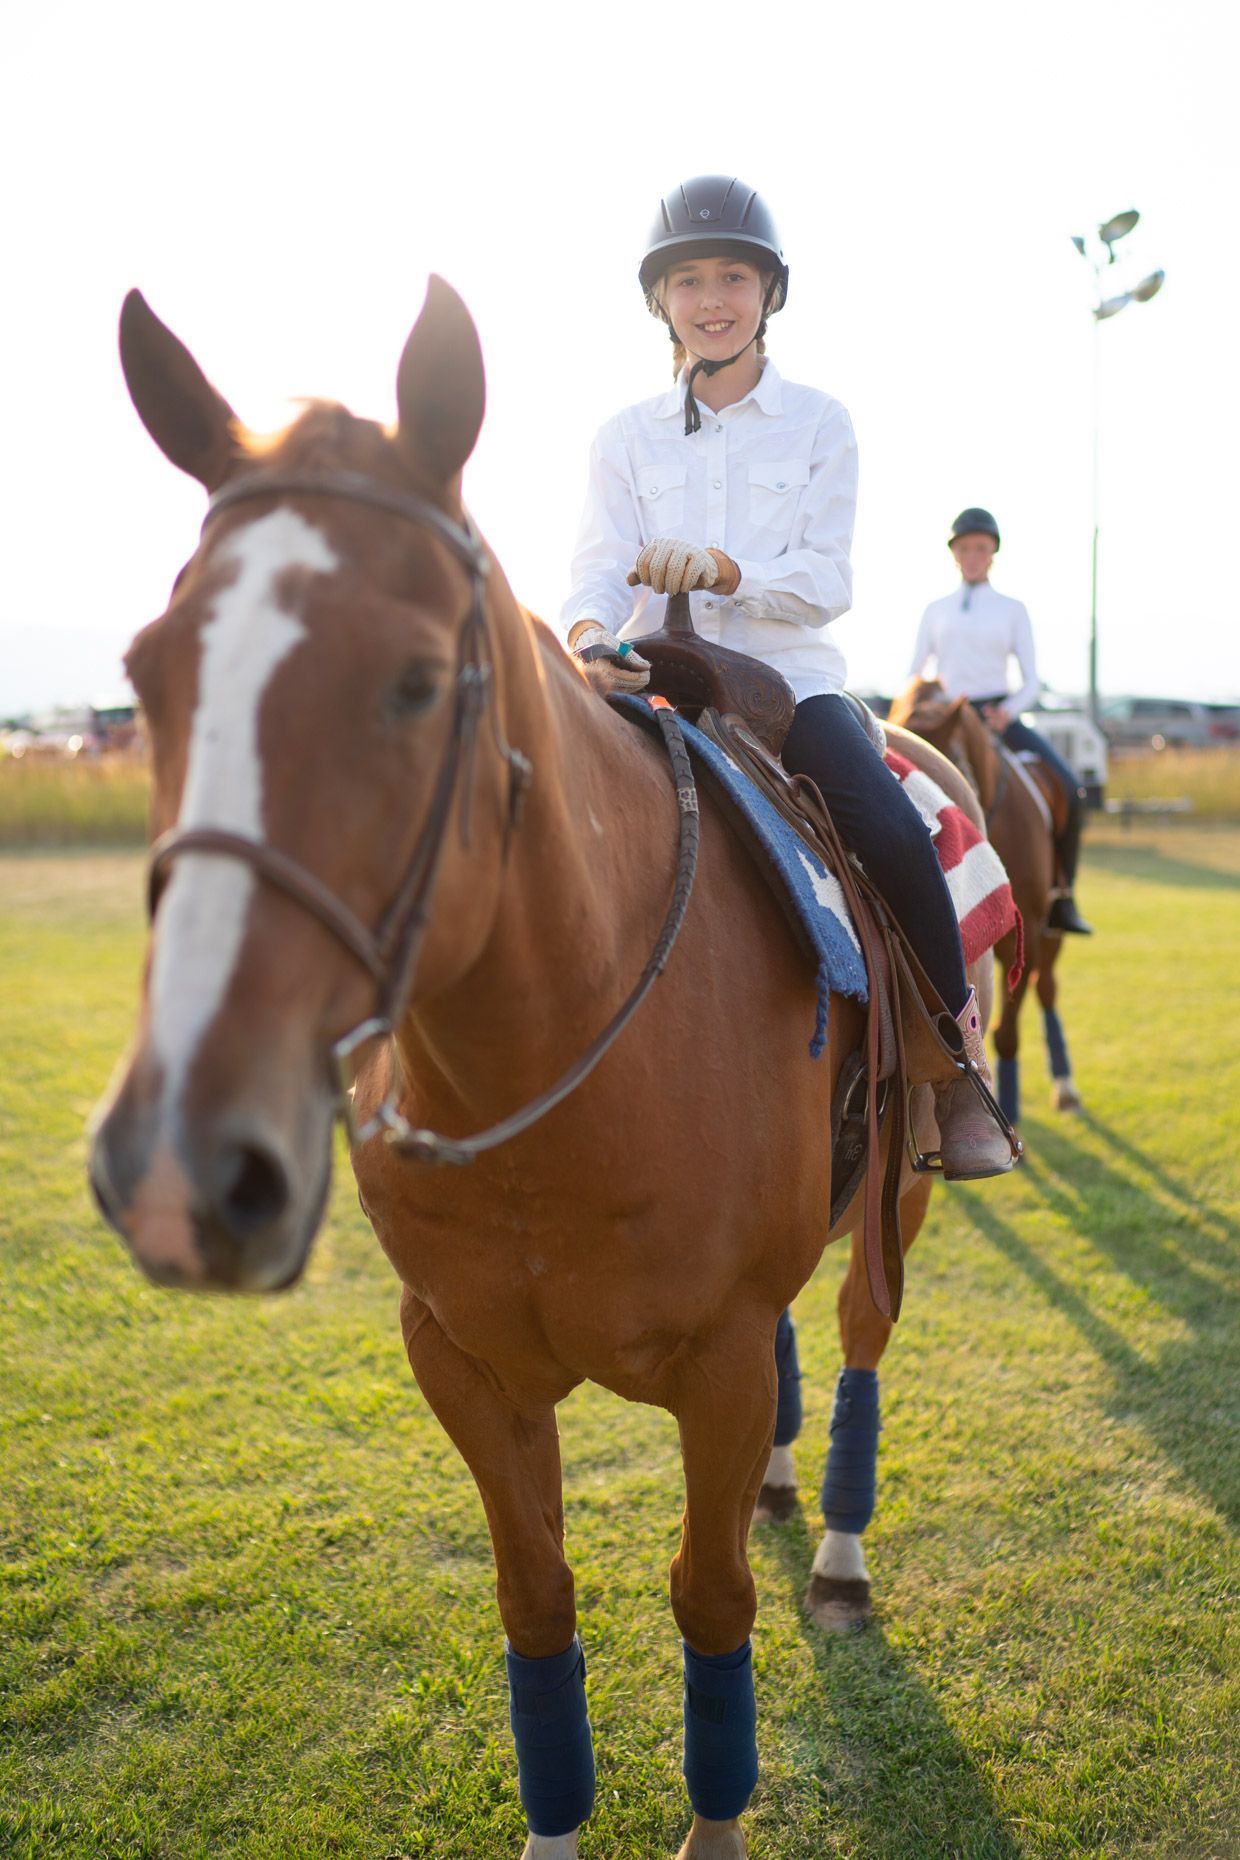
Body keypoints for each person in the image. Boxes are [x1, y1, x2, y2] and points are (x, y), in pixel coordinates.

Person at [560, 174, 1013, 1178]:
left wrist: (726, 571)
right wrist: (592, 634)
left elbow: (826, 579)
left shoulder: (819, 421)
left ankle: (951, 1068)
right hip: (650, 680)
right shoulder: (621, 438)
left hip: (785, 684)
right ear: (658, 302)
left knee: (891, 831)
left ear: (769, 292)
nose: (710, 297)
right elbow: (594, 565)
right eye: (686, 280)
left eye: (731, 276)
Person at [909, 509, 1092, 934]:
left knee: (1068, 786)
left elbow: (1031, 680)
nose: (973, 555)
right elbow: (915, 671)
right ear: (954, 554)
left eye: (981, 548)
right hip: (948, 723)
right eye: (965, 548)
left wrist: (1008, 709)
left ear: (992, 554)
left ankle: (1062, 895)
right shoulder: (936, 610)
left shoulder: (1012, 609)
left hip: (998, 717)